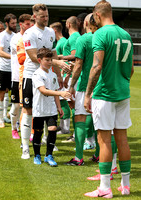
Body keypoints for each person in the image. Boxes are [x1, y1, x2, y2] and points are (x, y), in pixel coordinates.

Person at [84, 0, 134, 198]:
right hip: (123, 93)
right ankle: (126, 186)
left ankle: (105, 188)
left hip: (105, 94)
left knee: (104, 140)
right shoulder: (126, 34)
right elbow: (130, 69)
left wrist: (87, 94)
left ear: (97, 15)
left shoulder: (100, 34)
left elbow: (96, 67)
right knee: (122, 138)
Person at [21, 3, 71, 159]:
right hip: (31, 76)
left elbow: (54, 55)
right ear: (34, 16)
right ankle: (25, 148)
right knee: (29, 111)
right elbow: (34, 57)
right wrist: (57, 63)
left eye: (47, 15)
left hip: (49, 77)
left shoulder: (50, 32)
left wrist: (59, 76)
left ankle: (47, 141)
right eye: (42, 16)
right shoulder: (29, 33)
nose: (45, 18)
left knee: (49, 110)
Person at [32, 48, 71, 166]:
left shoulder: (53, 74)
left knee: (53, 129)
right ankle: (37, 155)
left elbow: (54, 92)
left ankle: (49, 155)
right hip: (39, 108)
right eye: (47, 60)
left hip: (51, 109)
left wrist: (59, 107)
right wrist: (60, 93)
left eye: (51, 60)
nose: (50, 62)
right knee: (38, 133)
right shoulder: (36, 74)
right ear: (39, 60)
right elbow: (44, 91)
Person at [65, 13, 94, 166]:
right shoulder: (104, 37)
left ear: (86, 23)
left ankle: (78, 157)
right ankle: (99, 155)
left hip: (85, 85)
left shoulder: (83, 39)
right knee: (102, 123)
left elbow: (78, 65)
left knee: (80, 118)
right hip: (102, 85)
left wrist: (71, 86)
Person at [10, 14, 31, 139]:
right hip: (17, 77)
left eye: (30, 24)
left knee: (28, 107)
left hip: (28, 77)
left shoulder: (31, 36)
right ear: (21, 24)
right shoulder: (16, 38)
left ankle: (28, 131)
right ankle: (14, 129)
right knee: (16, 105)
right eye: (27, 24)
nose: (29, 26)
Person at [0, 13, 17, 128]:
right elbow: (0, 52)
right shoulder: (2, 36)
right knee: (1, 93)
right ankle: (1, 121)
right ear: (7, 23)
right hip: (3, 69)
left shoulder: (16, 36)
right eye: (12, 23)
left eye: (15, 23)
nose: (15, 25)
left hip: (13, 70)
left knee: (12, 95)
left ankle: (6, 115)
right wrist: (13, 57)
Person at [50, 22, 70, 135]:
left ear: (55, 31)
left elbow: (65, 59)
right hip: (57, 73)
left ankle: (65, 127)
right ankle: (63, 126)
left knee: (63, 101)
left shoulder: (63, 42)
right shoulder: (60, 42)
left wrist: (61, 74)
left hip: (61, 74)